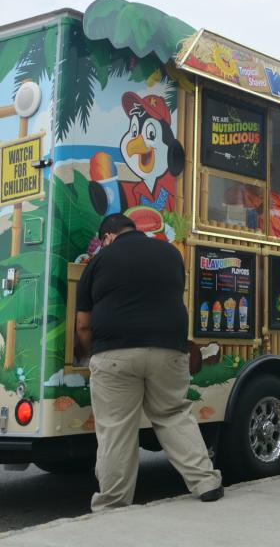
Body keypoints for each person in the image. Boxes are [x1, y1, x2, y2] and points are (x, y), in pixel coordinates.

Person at [75, 214, 222, 511]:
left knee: (116, 427)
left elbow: (82, 325)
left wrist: (95, 355)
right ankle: (206, 482)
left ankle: (114, 502)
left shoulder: (100, 260)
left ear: (107, 237)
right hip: (169, 349)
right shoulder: (169, 252)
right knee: (174, 414)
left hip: (115, 352)